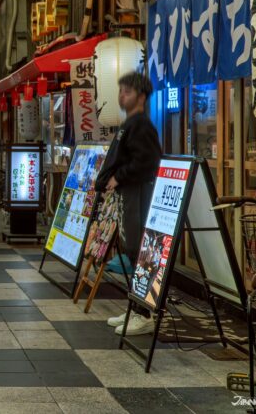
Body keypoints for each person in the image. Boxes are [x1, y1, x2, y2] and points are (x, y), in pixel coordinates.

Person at [96, 72, 161, 336]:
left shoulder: (142, 125)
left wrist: (117, 177)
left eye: (127, 92)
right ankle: (136, 307)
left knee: (140, 251)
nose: (122, 96)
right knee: (133, 250)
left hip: (137, 193)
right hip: (129, 193)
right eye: (121, 91)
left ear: (141, 96)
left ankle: (145, 313)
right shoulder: (131, 123)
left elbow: (147, 161)